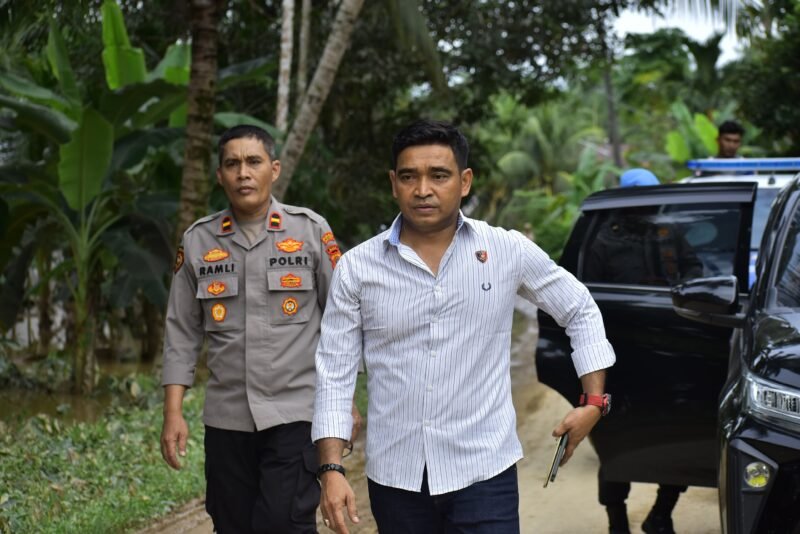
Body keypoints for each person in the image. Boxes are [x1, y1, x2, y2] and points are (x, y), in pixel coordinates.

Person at [311, 119, 616, 533]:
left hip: (484, 473)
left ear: (465, 181)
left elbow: (579, 308)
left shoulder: (505, 250)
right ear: (393, 184)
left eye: (439, 175)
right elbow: (334, 372)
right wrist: (331, 469)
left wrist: (593, 402)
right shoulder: (357, 268)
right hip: (396, 477)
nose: (423, 189)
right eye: (409, 176)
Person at [159, 124, 360, 534]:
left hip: (295, 413)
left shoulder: (310, 231)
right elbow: (181, 331)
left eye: (253, 162)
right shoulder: (198, 241)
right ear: (220, 175)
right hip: (227, 419)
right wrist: (173, 412)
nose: (243, 173)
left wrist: (345, 401)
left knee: (283, 522)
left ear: (274, 169)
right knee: (231, 524)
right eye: (232, 164)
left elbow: (342, 319)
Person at [590, 168, 693, 534]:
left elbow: (694, 270)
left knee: (677, 438)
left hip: (670, 352)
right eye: (641, 199)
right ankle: (616, 521)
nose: (648, 206)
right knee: (617, 442)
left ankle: (661, 513)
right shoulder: (604, 239)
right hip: (622, 357)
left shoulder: (669, 234)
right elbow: (585, 300)